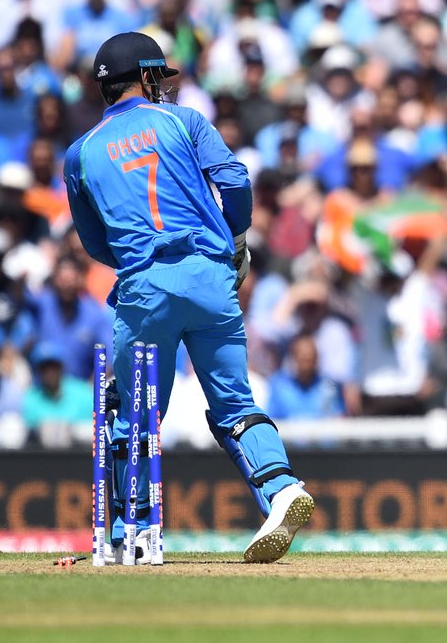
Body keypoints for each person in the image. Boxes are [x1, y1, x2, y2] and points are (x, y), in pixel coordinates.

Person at [63, 32, 313, 564]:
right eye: (158, 76)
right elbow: (235, 181)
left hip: (144, 289)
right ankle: (281, 488)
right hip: (209, 279)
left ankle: (132, 534)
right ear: (145, 76)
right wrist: (235, 239)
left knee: (137, 414)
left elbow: (93, 242)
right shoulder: (184, 121)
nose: (162, 86)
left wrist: (139, 260)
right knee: (234, 402)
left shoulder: (80, 153)